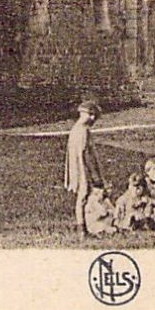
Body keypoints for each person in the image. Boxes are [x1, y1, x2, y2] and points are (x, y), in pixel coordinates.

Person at [63, 99, 104, 233]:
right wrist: (94, 173)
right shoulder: (82, 131)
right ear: (83, 114)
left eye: (94, 116)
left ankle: (87, 224)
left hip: (78, 167)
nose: (92, 118)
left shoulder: (76, 129)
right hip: (82, 168)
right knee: (83, 196)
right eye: (90, 115)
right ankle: (82, 227)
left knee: (83, 196)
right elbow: (85, 154)